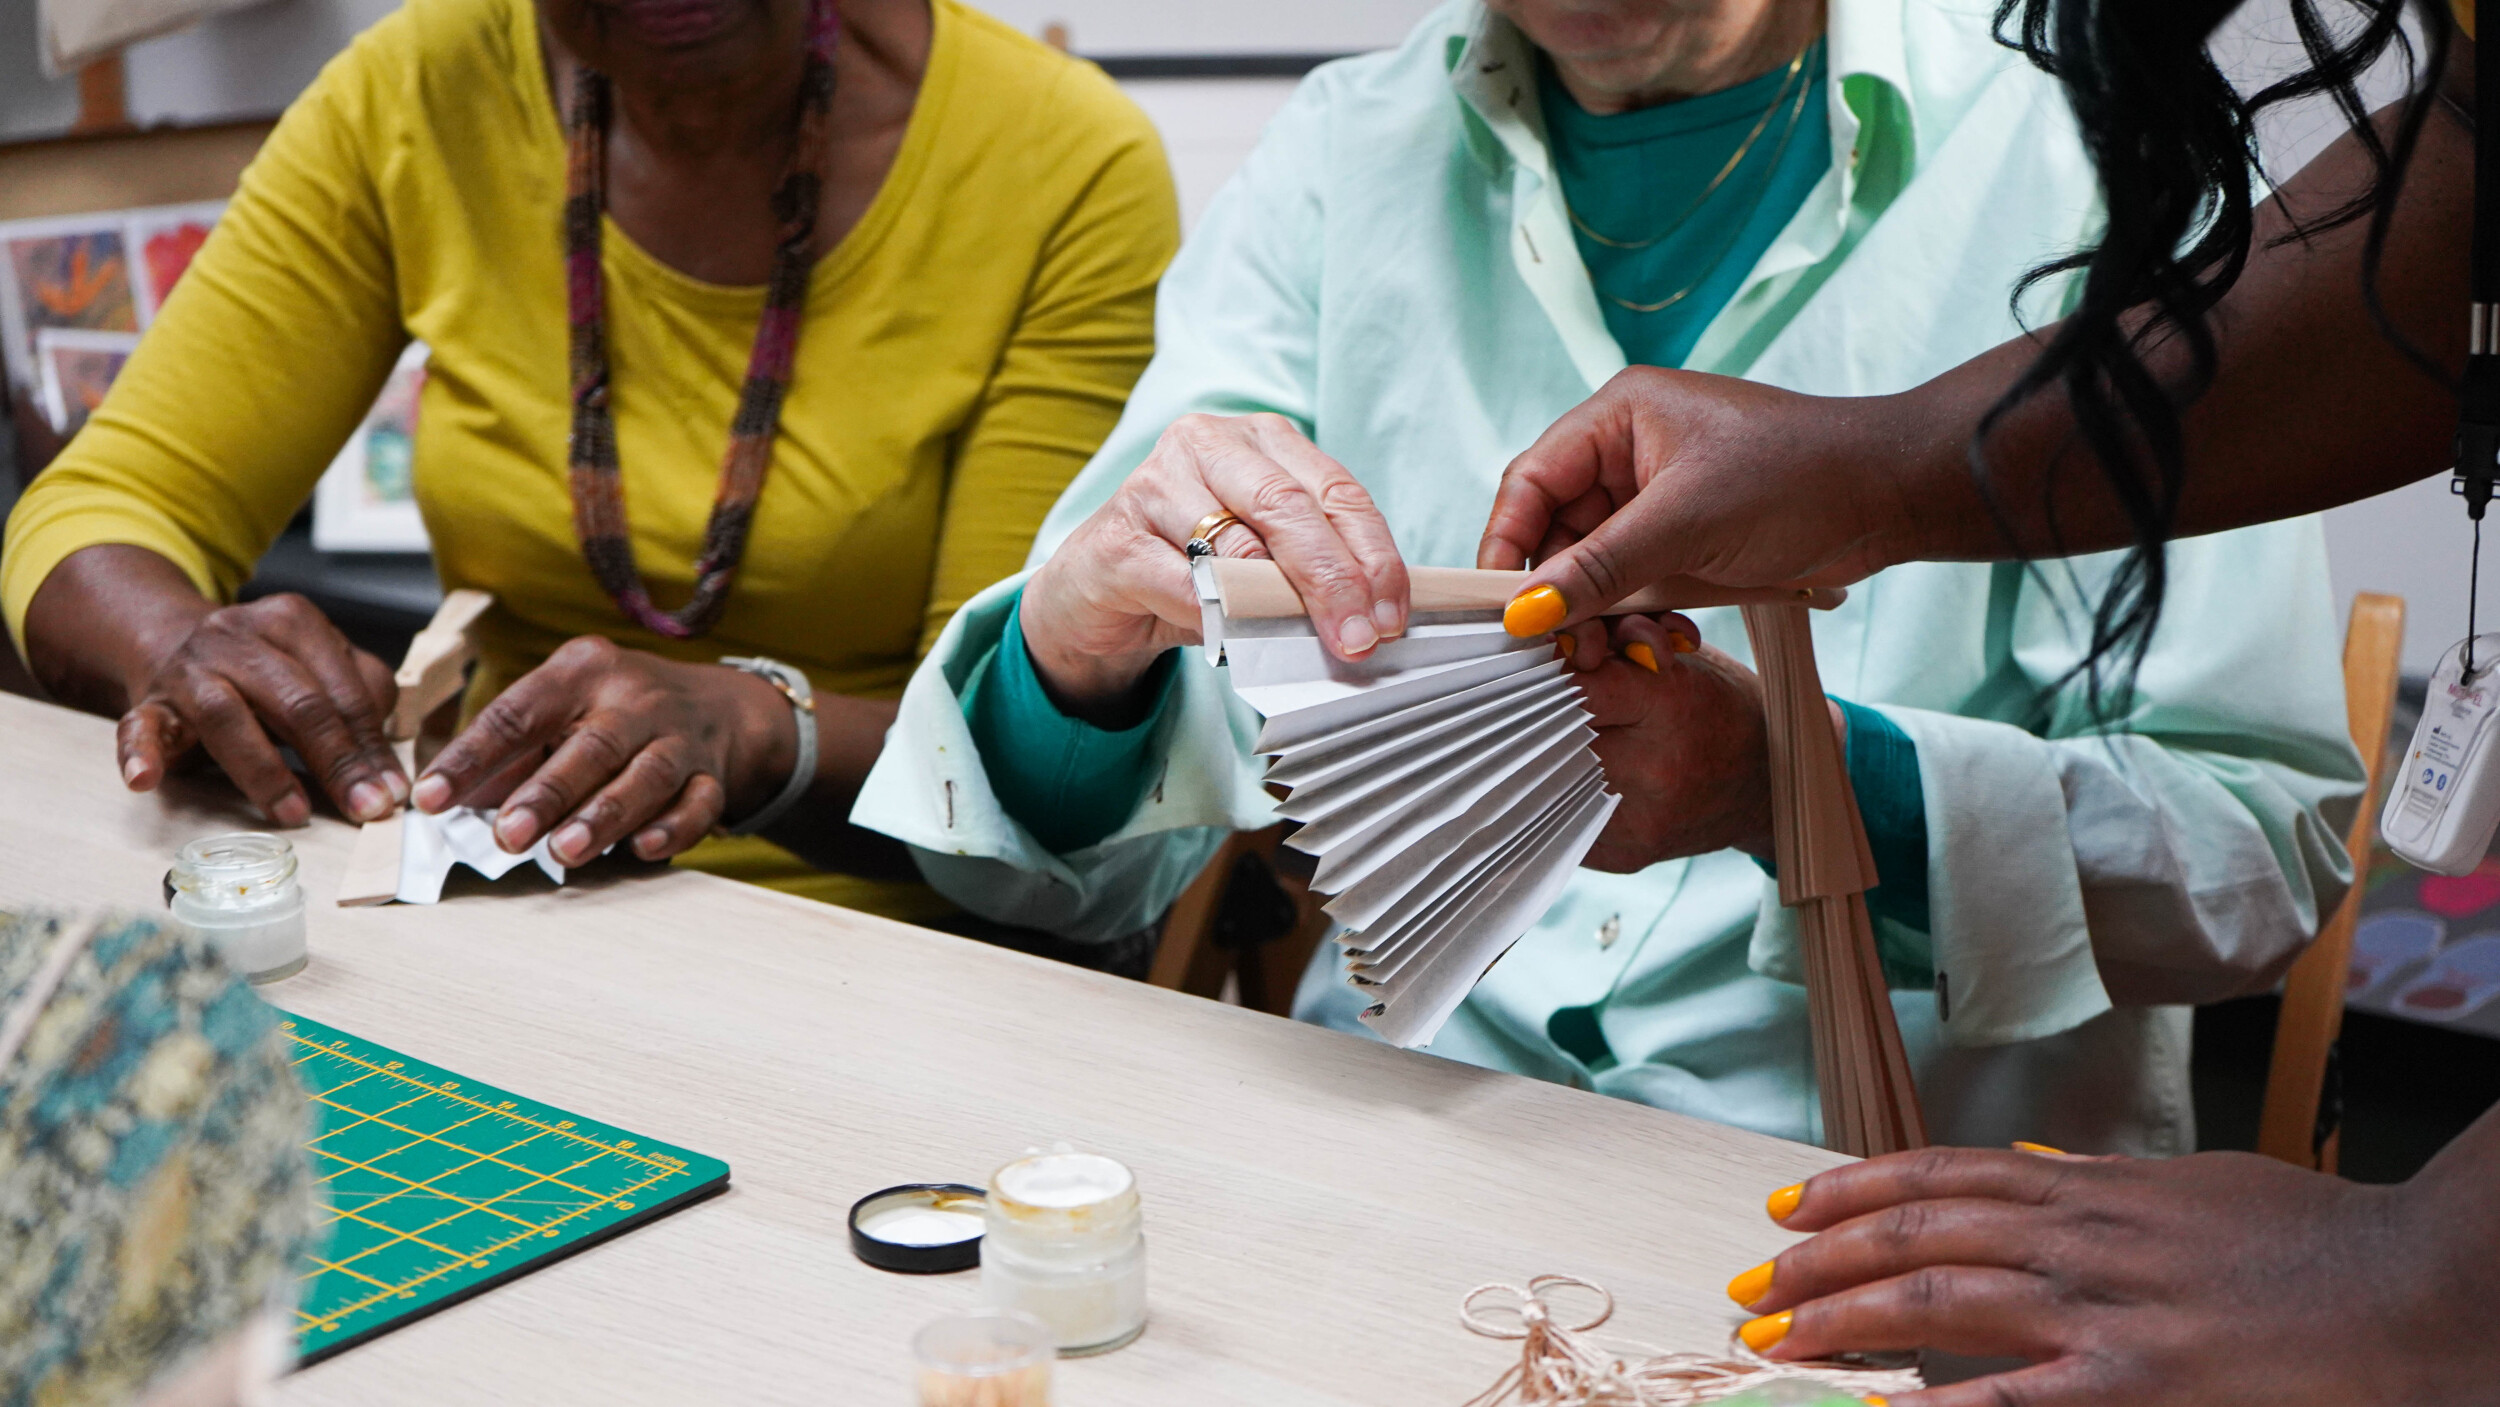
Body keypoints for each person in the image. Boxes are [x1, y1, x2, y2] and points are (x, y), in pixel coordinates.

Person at [853, 0, 2363, 1154]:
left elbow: (2260, 845)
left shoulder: (2087, 156)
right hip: (1399, 1145)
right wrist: (1078, 644)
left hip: (1894, 1201)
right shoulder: (1344, 154)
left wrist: (1798, 783)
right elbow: (1052, 869)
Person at [1480, 0, 2500, 1400]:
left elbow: (2261, 842)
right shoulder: (1342, 154)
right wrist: (1877, 472)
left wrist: (2432, 1266)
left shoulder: (2046, 148)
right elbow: (2463, 193)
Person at [2, 0, 1177, 922]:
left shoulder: (1058, 164)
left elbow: (1013, 761)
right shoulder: (425, 84)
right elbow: (106, 505)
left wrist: (761, 729)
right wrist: (176, 644)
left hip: (894, 939)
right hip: (504, 886)